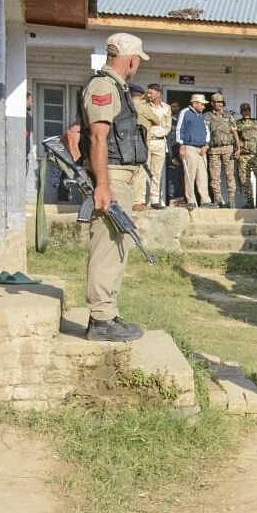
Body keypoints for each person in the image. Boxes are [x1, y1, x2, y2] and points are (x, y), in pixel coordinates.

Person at [77, 32, 149, 342]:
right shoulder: (104, 86)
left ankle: (108, 311)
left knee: (118, 247)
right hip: (113, 178)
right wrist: (103, 185)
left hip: (122, 178)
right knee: (107, 247)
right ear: (131, 60)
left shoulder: (115, 87)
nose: (137, 66)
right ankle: (101, 320)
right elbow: (97, 137)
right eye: (137, 61)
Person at [174, 93, 211, 207]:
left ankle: (205, 200)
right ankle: (191, 200)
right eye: (202, 104)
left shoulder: (201, 116)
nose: (204, 107)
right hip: (189, 147)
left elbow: (207, 131)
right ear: (195, 104)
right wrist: (181, 145)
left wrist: (207, 144)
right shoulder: (185, 113)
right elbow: (180, 129)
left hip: (202, 148)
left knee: (203, 175)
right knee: (190, 174)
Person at [204, 92, 240, 208]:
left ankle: (231, 199)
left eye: (220, 102)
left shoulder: (229, 116)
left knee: (230, 175)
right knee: (215, 176)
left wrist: (238, 147)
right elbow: (205, 132)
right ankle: (218, 199)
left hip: (228, 148)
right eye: (216, 102)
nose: (219, 104)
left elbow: (234, 132)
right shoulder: (207, 116)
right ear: (212, 103)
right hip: (213, 149)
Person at [235, 103, 257, 209]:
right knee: (244, 180)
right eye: (244, 110)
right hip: (243, 156)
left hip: (256, 155)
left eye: (248, 110)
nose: (246, 112)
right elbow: (234, 139)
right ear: (241, 112)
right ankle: (249, 202)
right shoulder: (237, 124)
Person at [143, 84, 171, 209]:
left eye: (151, 93)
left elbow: (168, 126)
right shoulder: (145, 106)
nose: (149, 95)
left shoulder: (166, 108)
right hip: (148, 141)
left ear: (158, 94)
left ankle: (154, 199)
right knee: (144, 172)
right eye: (148, 93)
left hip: (160, 141)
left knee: (156, 173)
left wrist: (161, 132)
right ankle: (142, 199)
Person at [127, 84, 152, 211]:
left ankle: (127, 200)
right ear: (141, 95)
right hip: (141, 142)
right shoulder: (144, 107)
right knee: (140, 172)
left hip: (126, 143)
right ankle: (136, 201)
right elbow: (157, 120)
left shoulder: (125, 105)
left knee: (128, 171)